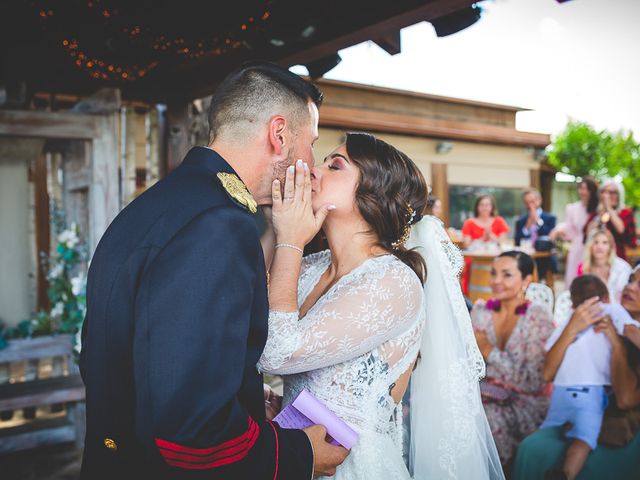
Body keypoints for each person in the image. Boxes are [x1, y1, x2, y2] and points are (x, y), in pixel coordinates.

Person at [80, 61, 349, 479]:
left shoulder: (160, 205)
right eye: (312, 143)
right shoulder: (218, 226)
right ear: (279, 135)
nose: (312, 162)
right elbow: (192, 432)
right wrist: (298, 452)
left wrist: (235, 389)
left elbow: (149, 360)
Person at [258, 132, 504, 479]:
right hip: (299, 450)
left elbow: (276, 352)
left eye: (335, 165)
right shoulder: (311, 267)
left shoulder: (393, 283)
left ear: (371, 195)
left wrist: (289, 240)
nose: (314, 170)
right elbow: (257, 332)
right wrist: (280, 401)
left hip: (353, 468)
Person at [513, 265, 640, 480]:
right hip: (587, 408)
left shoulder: (625, 327)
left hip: (624, 427)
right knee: (529, 447)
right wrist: (572, 326)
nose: (630, 287)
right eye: (631, 279)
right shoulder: (609, 315)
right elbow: (547, 373)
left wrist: (617, 344)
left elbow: (626, 400)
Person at [471, 251, 554, 465]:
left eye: (507, 275)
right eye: (493, 273)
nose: (496, 281)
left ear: (527, 280)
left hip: (526, 402)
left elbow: (534, 381)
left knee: (486, 418)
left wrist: (489, 351)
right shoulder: (481, 311)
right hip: (484, 392)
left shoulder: (537, 317)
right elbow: (470, 364)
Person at [550, 176, 599, 287]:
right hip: (578, 246)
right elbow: (569, 228)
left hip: (594, 245)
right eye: (581, 188)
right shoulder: (572, 208)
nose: (583, 191)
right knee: (575, 275)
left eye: (586, 188)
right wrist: (557, 230)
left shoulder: (598, 209)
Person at [461, 195, 510, 294]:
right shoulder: (469, 223)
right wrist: (483, 238)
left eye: (487, 205)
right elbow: (466, 245)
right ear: (477, 207)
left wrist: (491, 236)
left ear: (492, 207)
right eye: (482, 205)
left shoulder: (499, 221)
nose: (484, 207)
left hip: (496, 261)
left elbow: (503, 243)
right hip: (474, 262)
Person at [584, 180, 637, 261]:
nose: (606, 195)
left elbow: (621, 230)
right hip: (596, 257)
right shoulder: (596, 212)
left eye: (611, 192)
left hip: (617, 256)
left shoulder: (625, 212)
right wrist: (600, 213)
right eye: (603, 192)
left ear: (619, 195)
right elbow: (588, 233)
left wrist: (609, 208)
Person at [577, 228, 632, 303]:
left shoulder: (622, 268)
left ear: (610, 247)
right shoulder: (583, 267)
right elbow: (579, 293)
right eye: (595, 242)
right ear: (590, 246)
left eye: (605, 243)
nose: (599, 246)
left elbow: (623, 296)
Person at [514, 189, 557, 280]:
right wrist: (527, 226)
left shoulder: (550, 218)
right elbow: (517, 242)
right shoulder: (521, 221)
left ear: (539, 200)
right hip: (526, 257)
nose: (530, 205)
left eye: (532, 201)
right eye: (527, 202)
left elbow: (548, 238)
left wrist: (537, 221)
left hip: (544, 258)